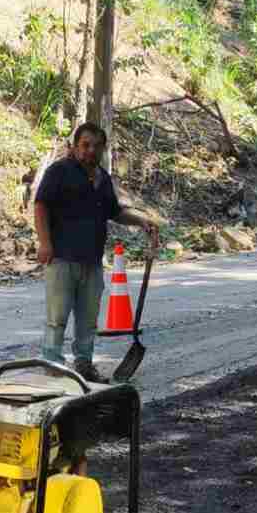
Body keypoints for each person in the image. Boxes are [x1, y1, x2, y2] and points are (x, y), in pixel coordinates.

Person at [32, 122, 159, 381]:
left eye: (96, 146)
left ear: (103, 149)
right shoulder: (59, 172)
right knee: (57, 317)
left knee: (88, 319)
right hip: (62, 258)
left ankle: (84, 365)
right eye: (85, 145)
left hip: (92, 260)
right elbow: (41, 206)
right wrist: (45, 243)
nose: (90, 150)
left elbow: (115, 212)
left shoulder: (102, 178)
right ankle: (52, 367)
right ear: (74, 147)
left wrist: (142, 221)